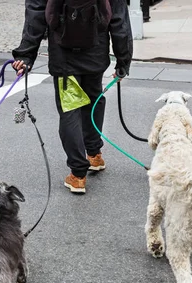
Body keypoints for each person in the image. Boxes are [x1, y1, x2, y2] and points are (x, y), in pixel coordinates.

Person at [11, 0, 133, 194]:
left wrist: (26, 55)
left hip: (63, 53)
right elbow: (119, 19)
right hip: (96, 48)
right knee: (94, 99)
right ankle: (94, 154)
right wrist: (123, 59)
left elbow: (36, 12)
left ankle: (78, 175)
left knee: (70, 109)